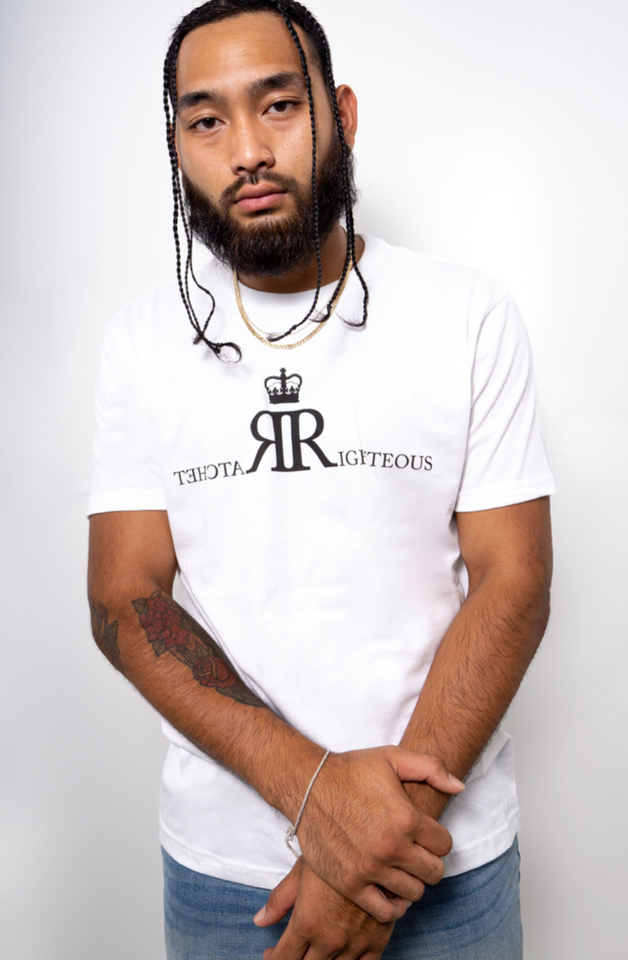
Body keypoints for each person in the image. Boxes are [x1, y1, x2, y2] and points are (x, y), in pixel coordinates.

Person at [87, 1, 555, 957]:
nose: (247, 151)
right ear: (177, 147)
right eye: (206, 120)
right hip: (229, 881)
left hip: (446, 866)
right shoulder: (142, 343)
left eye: (279, 105)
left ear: (340, 113)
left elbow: (514, 582)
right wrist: (316, 792)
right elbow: (124, 598)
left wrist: (378, 848)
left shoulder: (467, 315)